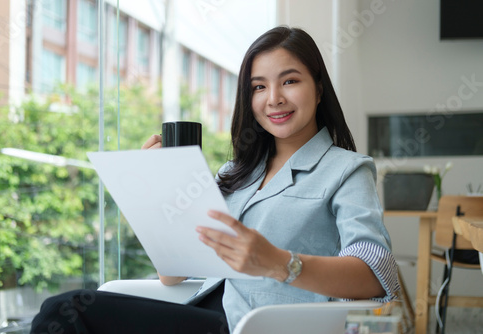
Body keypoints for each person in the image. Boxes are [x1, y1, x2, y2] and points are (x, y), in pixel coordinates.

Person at [31, 26, 399, 334]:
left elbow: (375, 273)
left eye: (289, 81)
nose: (274, 99)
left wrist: (277, 262)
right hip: (202, 313)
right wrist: (162, 188)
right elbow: (173, 275)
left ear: (318, 89)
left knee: (70, 312)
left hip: (257, 326)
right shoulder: (234, 173)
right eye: (258, 87)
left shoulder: (347, 170)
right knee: (61, 314)